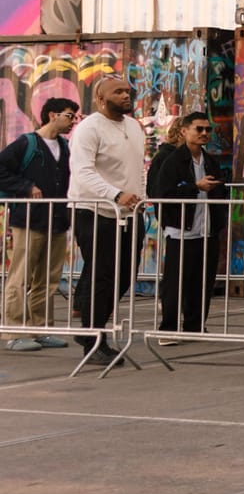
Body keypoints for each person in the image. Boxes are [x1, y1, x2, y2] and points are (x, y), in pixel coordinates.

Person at [68, 77, 147, 367]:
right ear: (101, 99)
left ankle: (91, 329)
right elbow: (83, 171)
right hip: (95, 211)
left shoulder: (133, 126)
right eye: (118, 92)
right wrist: (115, 194)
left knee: (125, 276)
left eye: (128, 91)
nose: (126, 95)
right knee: (101, 277)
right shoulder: (88, 128)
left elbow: (137, 168)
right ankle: (94, 341)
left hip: (129, 213)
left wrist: (141, 196)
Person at [0, 98, 77, 351]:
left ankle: (41, 328)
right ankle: (15, 331)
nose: (72, 121)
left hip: (57, 220)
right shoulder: (27, 143)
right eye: (69, 115)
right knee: (21, 276)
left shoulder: (65, 147)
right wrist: (26, 186)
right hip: (29, 219)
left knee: (49, 278)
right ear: (52, 115)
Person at [147, 112, 222, 340]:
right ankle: (168, 328)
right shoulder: (172, 160)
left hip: (207, 229)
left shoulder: (210, 161)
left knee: (203, 281)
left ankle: (195, 326)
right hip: (181, 230)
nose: (204, 133)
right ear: (184, 131)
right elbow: (162, 193)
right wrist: (194, 187)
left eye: (208, 129)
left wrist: (219, 221)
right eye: (199, 129)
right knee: (175, 281)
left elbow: (220, 192)